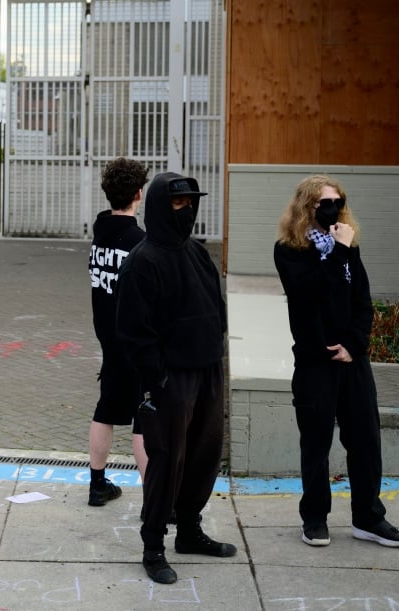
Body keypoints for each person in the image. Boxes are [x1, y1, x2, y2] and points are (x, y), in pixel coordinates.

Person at [273, 175, 399, 549]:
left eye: (338, 201)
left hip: (352, 362)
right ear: (307, 207)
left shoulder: (349, 246)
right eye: (324, 203)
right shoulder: (289, 251)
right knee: (316, 446)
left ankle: (368, 517)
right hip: (315, 364)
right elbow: (311, 293)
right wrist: (338, 251)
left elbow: (362, 302)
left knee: (365, 441)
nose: (333, 208)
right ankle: (315, 519)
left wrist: (354, 345)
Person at [115, 173, 234, 585]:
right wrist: (158, 379)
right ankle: (153, 546)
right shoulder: (142, 261)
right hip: (172, 381)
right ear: (161, 206)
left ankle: (189, 531)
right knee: (167, 462)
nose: (186, 210)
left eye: (191, 203)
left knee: (205, 454)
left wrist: (215, 352)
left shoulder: (197, 253)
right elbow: (132, 333)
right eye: (178, 203)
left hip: (208, 371)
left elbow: (216, 305)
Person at [86, 158, 149, 507]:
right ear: (139, 193)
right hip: (136, 341)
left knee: (106, 408)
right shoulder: (141, 242)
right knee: (144, 418)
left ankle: (97, 483)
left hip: (108, 338)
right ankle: (154, 496)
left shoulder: (100, 232)